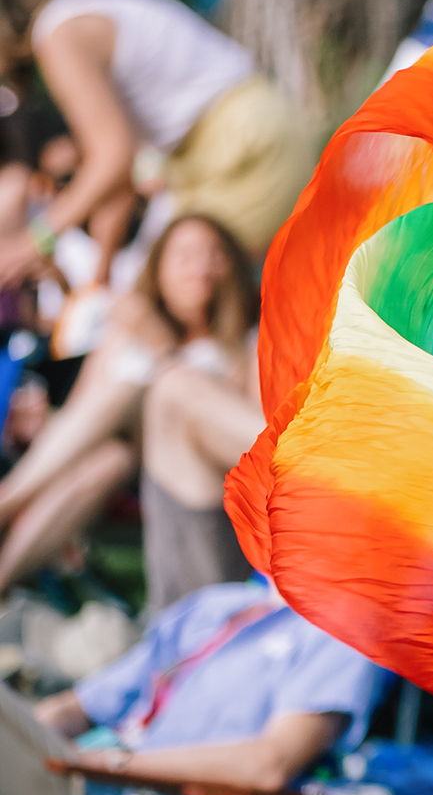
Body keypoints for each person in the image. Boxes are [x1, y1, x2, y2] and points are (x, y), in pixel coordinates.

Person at [3, 580, 383, 795]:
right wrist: (31, 742)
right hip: (79, 785)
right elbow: (75, 707)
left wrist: (115, 763)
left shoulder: (340, 633)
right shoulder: (217, 605)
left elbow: (270, 763)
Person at [0, 213, 260, 601]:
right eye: (185, 256)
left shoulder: (242, 343)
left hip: (191, 472)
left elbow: (234, 424)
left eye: (214, 254)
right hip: (122, 465)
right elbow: (80, 409)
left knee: (137, 386)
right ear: (158, 269)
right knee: (108, 460)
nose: (201, 268)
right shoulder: (129, 325)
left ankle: (6, 500)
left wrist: (162, 350)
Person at [0, 0, 310, 280]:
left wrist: (34, 241)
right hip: (242, 142)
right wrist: (100, 277)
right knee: (150, 294)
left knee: (169, 291)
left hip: (246, 153)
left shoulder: (58, 35)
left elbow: (112, 158)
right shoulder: (71, 15)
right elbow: (117, 176)